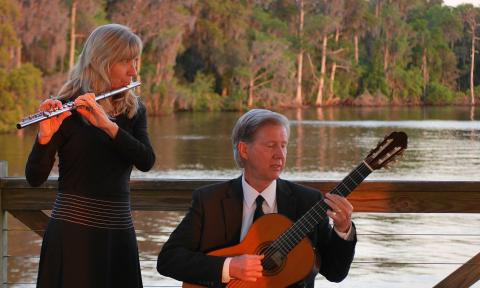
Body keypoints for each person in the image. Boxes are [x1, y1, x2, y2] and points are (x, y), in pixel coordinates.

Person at [157, 109, 356, 287]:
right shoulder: (210, 201)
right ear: (244, 150)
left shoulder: (308, 202)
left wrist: (343, 229)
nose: (280, 155)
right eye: (271, 145)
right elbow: (168, 260)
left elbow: (335, 273)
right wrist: (229, 267)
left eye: (284, 146)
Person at [25, 24, 155, 288]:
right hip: (73, 235)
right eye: (126, 62)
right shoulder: (65, 107)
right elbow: (34, 178)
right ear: (102, 62)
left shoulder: (133, 110)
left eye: (135, 61)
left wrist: (107, 125)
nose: (134, 71)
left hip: (118, 233)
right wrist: (44, 137)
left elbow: (146, 160)